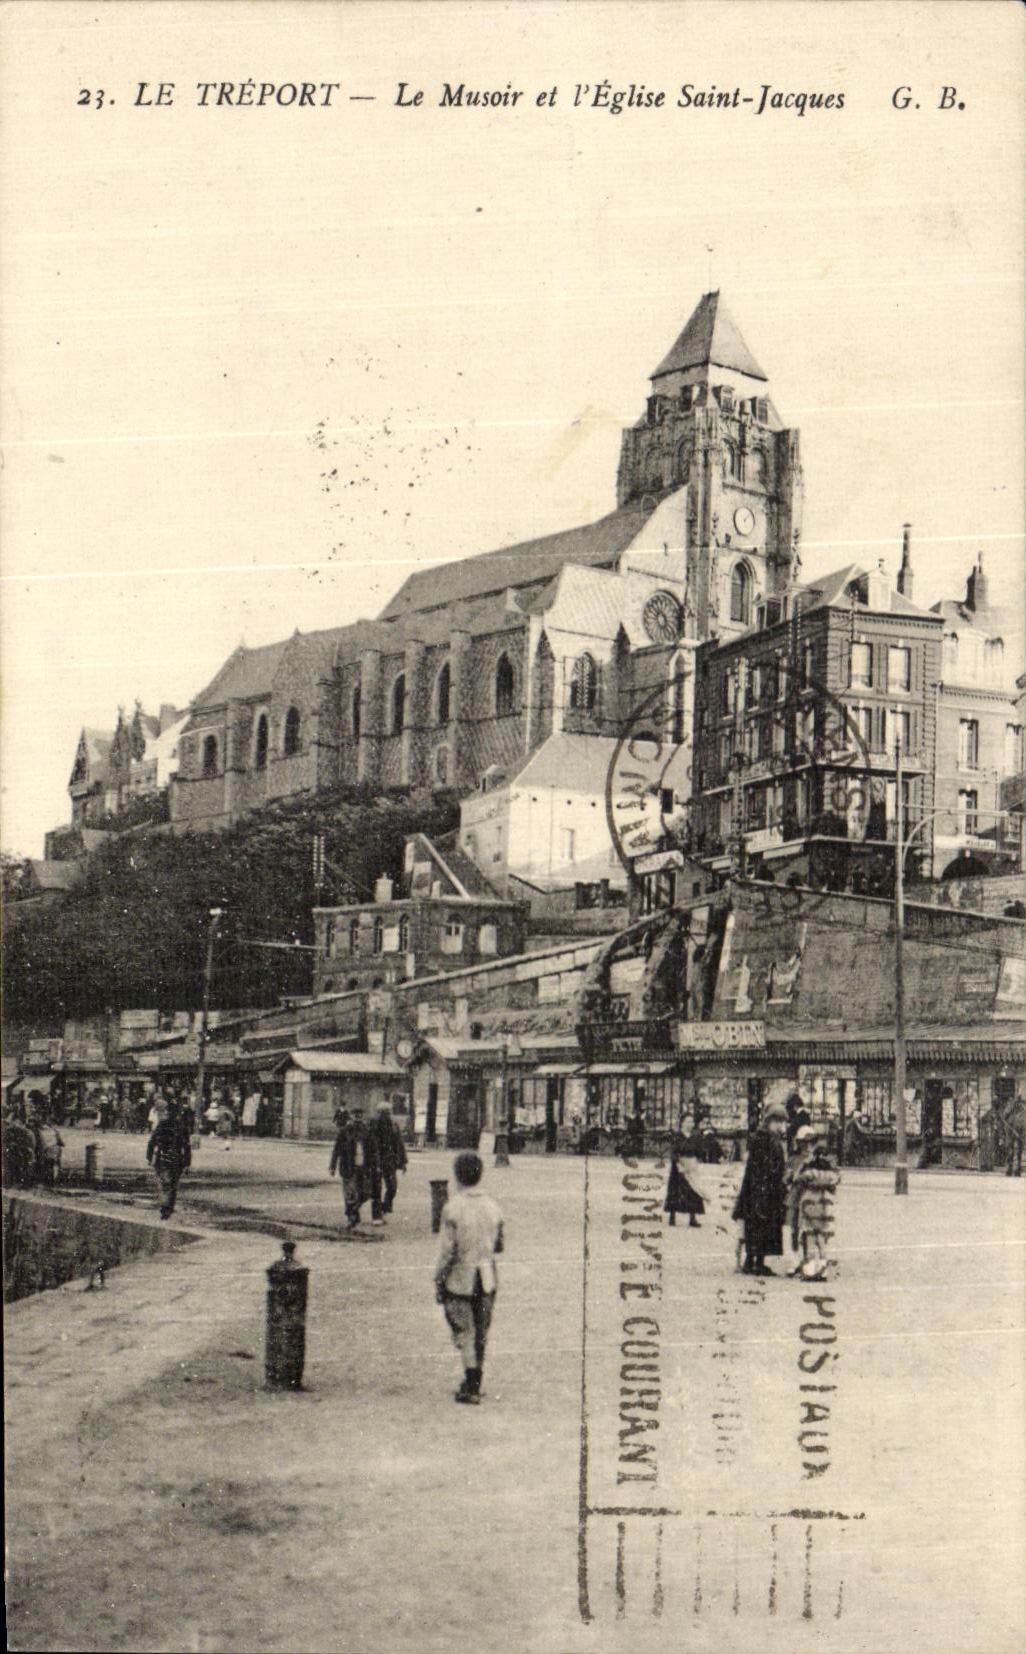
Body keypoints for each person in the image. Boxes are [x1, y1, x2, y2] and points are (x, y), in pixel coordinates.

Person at [434, 1151, 505, 1405]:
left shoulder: (452, 1208)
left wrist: (439, 1279)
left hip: (460, 1276)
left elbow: (447, 1252)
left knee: (464, 1331)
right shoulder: (493, 1207)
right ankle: (475, 1380)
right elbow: (499, 1246)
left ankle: (471, 1383)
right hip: (486, 1276)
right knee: (481, 1331)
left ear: (457, 1176)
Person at [732, 1102, 787, 1276]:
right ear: (769, 1121)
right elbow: (763, 1166)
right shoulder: (763, 1139)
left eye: (782, 1122)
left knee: (760, 1226)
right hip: (762, 1190)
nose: (780, 1125)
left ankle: (754, 1261)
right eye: (777, 1121)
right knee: (760, 1225)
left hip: (763, 1189)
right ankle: (755, 1262)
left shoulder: (769, 1138)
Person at [790, 1131, 840, 1281]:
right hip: (824, 1206)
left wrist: (803, 1166)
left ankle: (810, 1269)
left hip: (810, 1204)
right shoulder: (830, 1175)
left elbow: (797, 1179)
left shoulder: (810, 1172)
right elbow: (834, 1184)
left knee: (810, 1237)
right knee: (821, 1238)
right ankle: (824, 1268)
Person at [328, 1103, 379, 1230]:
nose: (358, 1117)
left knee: (365, 1193)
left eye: (360, 1115)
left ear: (362, 1117)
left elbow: (374, 1150)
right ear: (351, 1116)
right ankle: (351, 1216)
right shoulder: (345, 1131)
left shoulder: (367, 1131)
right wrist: (332, 1166)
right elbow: (337, 1149)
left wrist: (376, 1165)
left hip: (364, 1167)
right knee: (350, 1193)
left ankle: (354, 1211)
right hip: (348, 1167)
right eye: (355, 1115)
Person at [146, 1101, 192, 1219]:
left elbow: (152, 1142)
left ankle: (165, 1207)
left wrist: (149, 1157)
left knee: (164, 1183)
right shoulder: (182, 1126)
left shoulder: (162, 1125)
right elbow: (187, 1146)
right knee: (173, 1184)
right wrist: (187, 1163)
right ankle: (169, 1207)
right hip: (177, 1159)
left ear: (168, 1112)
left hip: (163, 1157)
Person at [370, 1103, 407, 1224]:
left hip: (390, 1161)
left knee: (392, 1187)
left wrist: (403, 1162)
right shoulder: (374, 1124)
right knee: (376, 1190)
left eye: (389, 1112)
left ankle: (384, 1208)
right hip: (376, 1161)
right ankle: (376, 1216)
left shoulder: (394, 1124)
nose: (388, 1114)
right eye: (385, 1112)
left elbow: (399, 1143)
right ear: (380, 1113)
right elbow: (371, 1144)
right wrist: (374, 1161)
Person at [663, 1130, 705, 1228]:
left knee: (693, 1189)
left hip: (690, 1166)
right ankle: (672, 1217)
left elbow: (699, 1151)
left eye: (691, 1122)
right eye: (687, 1122)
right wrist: (677, 1162)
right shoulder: (677, 1136)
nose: (690, 1124)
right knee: (675, 1191)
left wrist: (697, 1157)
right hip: (678, 1166)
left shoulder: (695, 1136)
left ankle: (692, 1218)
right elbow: (673, 1151)